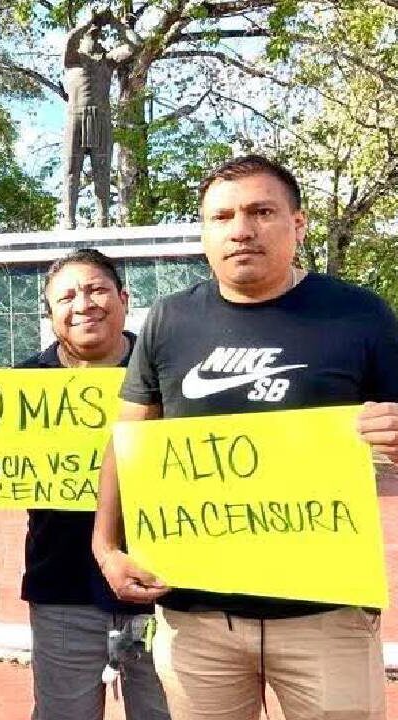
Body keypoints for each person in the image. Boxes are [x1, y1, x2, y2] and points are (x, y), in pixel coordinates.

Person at [93, 154, 398, 720]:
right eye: (223, 216)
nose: (241, 229)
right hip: (197, 618)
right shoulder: (168, 321)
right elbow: (126, 443)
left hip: (326, 615)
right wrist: (105, 546)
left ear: (298, 223)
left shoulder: (361, 316)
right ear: (205, 232)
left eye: (262, 211)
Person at [0, 249, 168, 720]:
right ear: (50, 315)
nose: (83, 304)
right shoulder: (20, 386)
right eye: (67, 296)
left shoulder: (170, 375)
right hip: (63, 588)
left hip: (162, 587)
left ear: (124, 299)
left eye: (95, 290)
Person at [60, 8, 139, 229]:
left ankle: (102, 219)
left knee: (101, 170)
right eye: (90, 33)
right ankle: (68, 219)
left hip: (100, 118)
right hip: (76, 116)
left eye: (97, 32)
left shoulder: (108, 61)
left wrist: (116, 23)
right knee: (71, 169)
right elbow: (69, 39)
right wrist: (88, 21)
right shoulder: (74, 58)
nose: (94, 34)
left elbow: (136, 45)